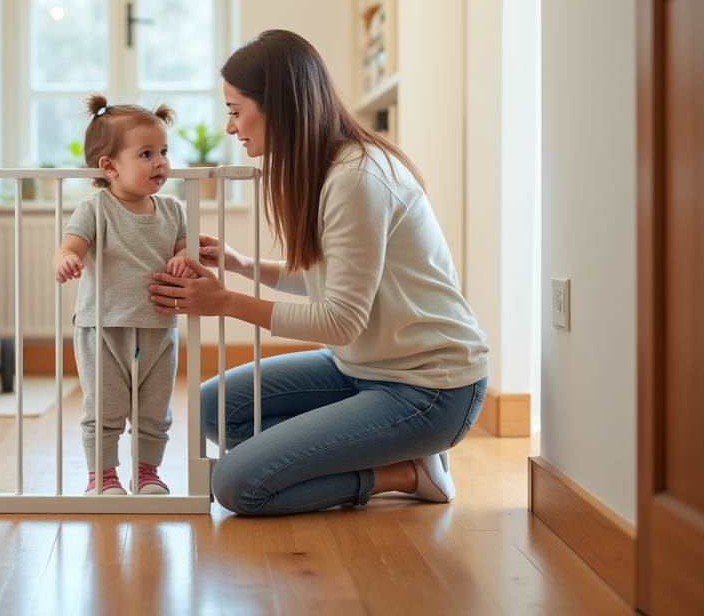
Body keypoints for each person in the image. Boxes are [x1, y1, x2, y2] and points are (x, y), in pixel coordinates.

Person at [147, 29, 489, 516]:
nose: (230, 127)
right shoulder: (327, 169)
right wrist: (241, 264)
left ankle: (407, 471)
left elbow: (339, 320)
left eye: (234, 110)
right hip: (359, 368)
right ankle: (354, 447)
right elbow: (328, 278)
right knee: (212, 407)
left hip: (430, 387)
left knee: (237, 483)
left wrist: (225, 302)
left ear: (278, 106)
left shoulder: (356, 178)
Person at [53, 94, 196, 496]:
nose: (161, 162)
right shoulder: (94, 209)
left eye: (164, 151)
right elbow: (69, 248)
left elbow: (185, 248)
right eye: (147, 153)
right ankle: (103, 476)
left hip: (158, 329)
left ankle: (148, 472)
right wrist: (65, 261)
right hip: (103, 329)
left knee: (155, 411)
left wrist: (185, 257)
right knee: (105, 408)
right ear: (109, 166)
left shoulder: (172, 210)